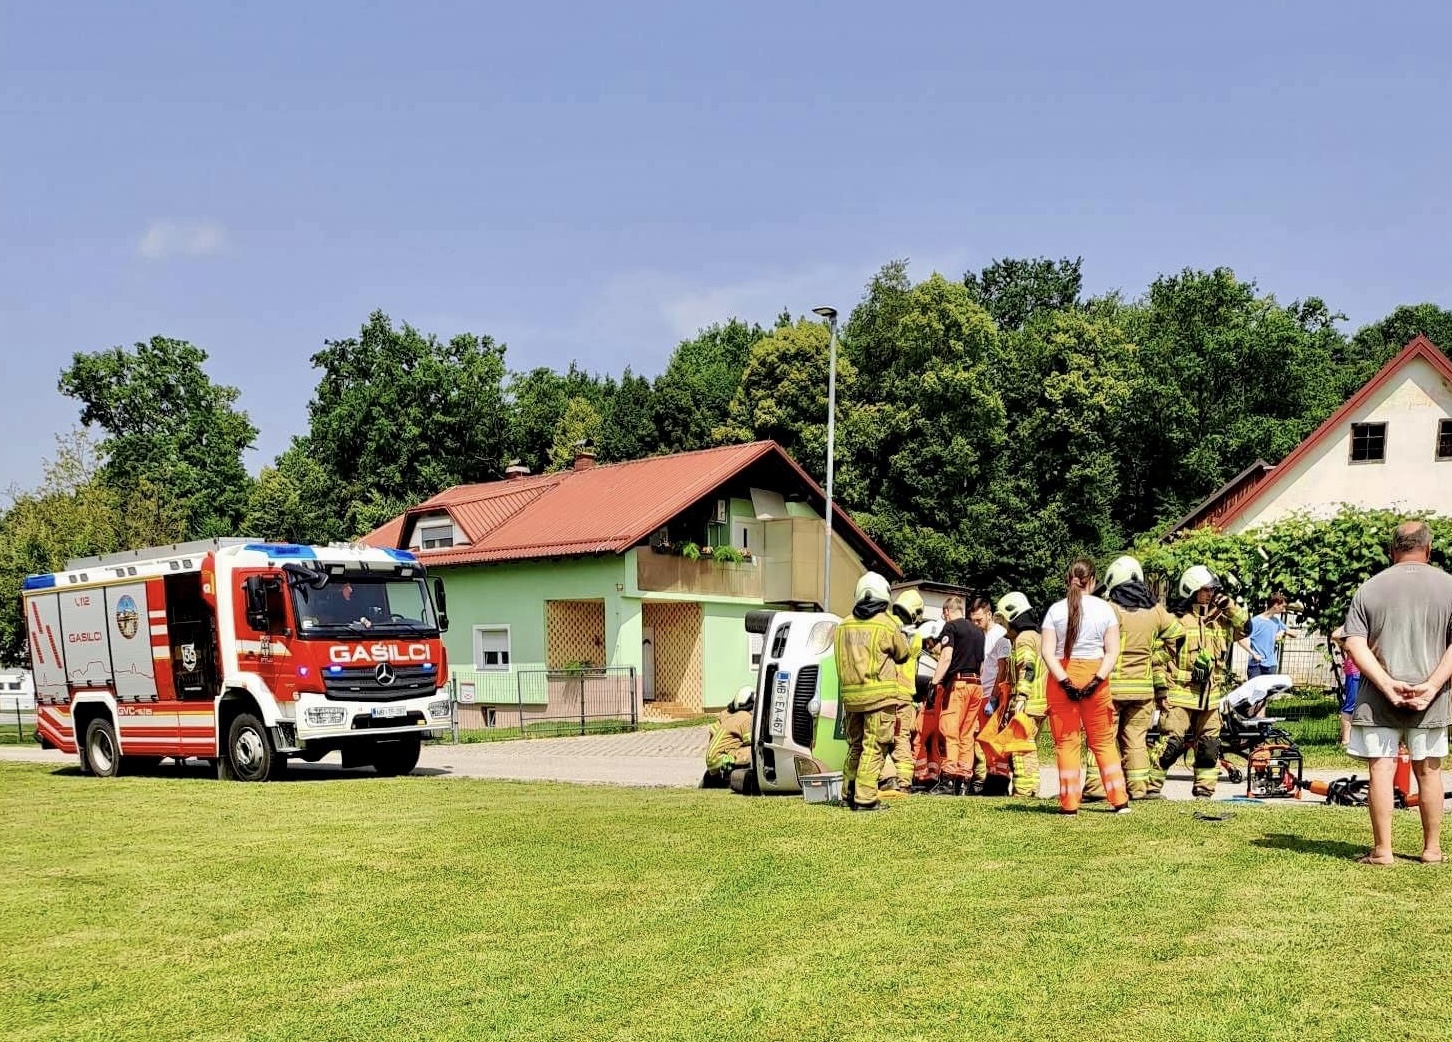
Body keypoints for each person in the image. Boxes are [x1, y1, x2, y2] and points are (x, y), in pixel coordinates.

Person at [1341, 521, 1452, 866]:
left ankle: (1383, 850)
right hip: (1431, 699)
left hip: (1377, 698)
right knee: (1430, 771)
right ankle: (1432, 850)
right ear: (1429, 549)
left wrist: (1387, 685)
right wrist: (1432, 686)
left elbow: (1354, 642)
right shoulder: (1449, 586)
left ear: (1392, 551)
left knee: (1381, 769)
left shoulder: (1369, 588)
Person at [1082, 556, 1184, 801]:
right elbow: (1179, 637)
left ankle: (1096, 787)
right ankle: (1138, 789)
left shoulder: (1109, 609)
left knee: (1102, 738)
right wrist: (1155, 657)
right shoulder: (1156, 611)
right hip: (1143, 691)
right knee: (1136, 740)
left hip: (1111, 688)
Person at [1148, 565, 1249, 799]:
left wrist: (1230, 606)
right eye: (1206, 590)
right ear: (1191, 590)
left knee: (1209, 747)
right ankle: (1150, 789)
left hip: (1210, 699)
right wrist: (1161, 690)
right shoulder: (1177, 621)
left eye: (1213, 590)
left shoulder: (1221, 621)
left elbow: (1246, 627)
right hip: (1180, 695)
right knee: (1170, 745)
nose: (1211, 594)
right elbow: (1158, 659)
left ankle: (1204, 791)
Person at [1040, 559, 1130, 815]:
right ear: (1093, 580)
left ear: (1068, 579)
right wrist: (1096, 680)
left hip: (1061, 677)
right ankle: (1119, 800)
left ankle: (1069, 804)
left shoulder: (1055, 611)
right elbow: (1112, 652)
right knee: (1102, 742)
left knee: (1067, 743)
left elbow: (1047, 652)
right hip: (1095, 675)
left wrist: (1065, 681)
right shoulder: (1105, 610)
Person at [835, 572, 911, 812]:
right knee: (875, 746)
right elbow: (903, 654)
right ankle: (865, 798)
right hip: (879, 698)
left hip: (852, 699)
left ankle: (848, 792)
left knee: (855, 746)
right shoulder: (886, 623)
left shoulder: (843, 624)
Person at [929, 595, 986, 795]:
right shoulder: (979, 632)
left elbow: (946, 657)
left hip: (958, 685)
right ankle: (964, 780)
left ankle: (948, 779)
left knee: (949, 731)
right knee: (967, 734)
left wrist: (934, 683)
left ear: (947, 612)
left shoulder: (951, 628)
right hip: (976, 685)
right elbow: (981, 665)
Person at [995, 592, 1047, 797]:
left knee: (1020, 748)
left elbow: (1028, 667)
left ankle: (1024, 790)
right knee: (1028, 746)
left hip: (1028, 702)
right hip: (1039, 701)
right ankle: (1031, 788)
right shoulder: (1037, 636)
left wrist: (1021, 696)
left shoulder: (1024, 639)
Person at [884, 589, 927, 798]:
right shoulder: (916, 636)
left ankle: (885, 779)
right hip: (906, 694)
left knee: (881, 736)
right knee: (902, 737)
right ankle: (903, 782)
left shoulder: (887, 624)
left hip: (886, 691)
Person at [969, 596, 1013, 794]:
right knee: (983, 739)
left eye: (979, 620)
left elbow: (1002, 669)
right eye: (973, 621)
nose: (976, 624)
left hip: (994, 695)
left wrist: (995, 697)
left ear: (989, 614)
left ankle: (1000, 781)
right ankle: (990, 777)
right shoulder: (982, 636)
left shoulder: (1000, 635)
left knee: (995, 739)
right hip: (983, 693)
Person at [910, 619, 946, 790]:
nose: (928, 647)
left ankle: (921, 776)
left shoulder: (930, 661)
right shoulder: (943, 658)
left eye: (928, 643)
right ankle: (932, 775)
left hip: (931, 704)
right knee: (934, 743)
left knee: (919, 739)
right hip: (937, 705)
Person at [702, 687, 754, 787]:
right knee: (754, 751)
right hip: (723, 760)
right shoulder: (746, 717)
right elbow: (752, 741)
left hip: (712, 761)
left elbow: (712, 734)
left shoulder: (725, 715)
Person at [1239, 593, 1291, 679]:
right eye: (1283, 606)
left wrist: (1283, 632)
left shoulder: (1277, 621)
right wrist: (1253, 654)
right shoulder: (1254, 622)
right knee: (1256, 691)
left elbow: (1294, 634)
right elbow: (1241, 640)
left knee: (1270, 692)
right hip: (1256, 666)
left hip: (1271, 666)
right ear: (1275, 605)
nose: (1284, 610)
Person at [1331, 626, 1360, 748]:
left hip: (1371, 672)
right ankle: (1345, 741)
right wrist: (1351, 622)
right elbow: (1335, 635)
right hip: (1355, 671)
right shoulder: (1354, 629)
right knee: (1350, 704)